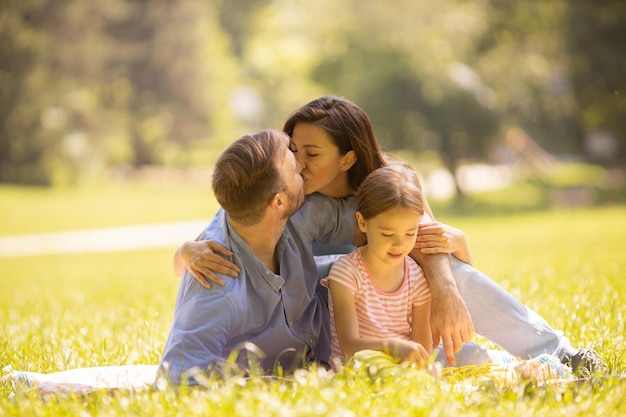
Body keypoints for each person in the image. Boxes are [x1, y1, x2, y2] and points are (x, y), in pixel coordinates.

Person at [175, 96, 606, 376]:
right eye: (293, 152)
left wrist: (446, 284)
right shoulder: (292, 201)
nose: (299, 164)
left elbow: (427, 241)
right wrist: (184, 253)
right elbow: (226, 231)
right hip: (327, 303)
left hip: (371, 299)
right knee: (363, 271)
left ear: (347, 159)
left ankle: (559, 353)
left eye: (310, 154)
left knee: (441, 270)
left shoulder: (387, 188)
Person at [158, 129, 357, 384]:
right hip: (276, 381)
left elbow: (378, 218)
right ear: (278, 202)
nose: (303, 169)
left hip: (331, 342)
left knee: (361, 267)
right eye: (294, 170)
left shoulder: (284, 210)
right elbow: (178, 382)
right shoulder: (216, 285)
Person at [324, 163, 433, 366]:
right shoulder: (346, 273)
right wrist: (392, 347)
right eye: (388, 234)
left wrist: (426, 370)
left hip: (401, 368)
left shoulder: (416, 277)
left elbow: (423, 348)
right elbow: (349, 345)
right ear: (363, 222)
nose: (399, 243)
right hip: (357, 368)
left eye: (410, 233)